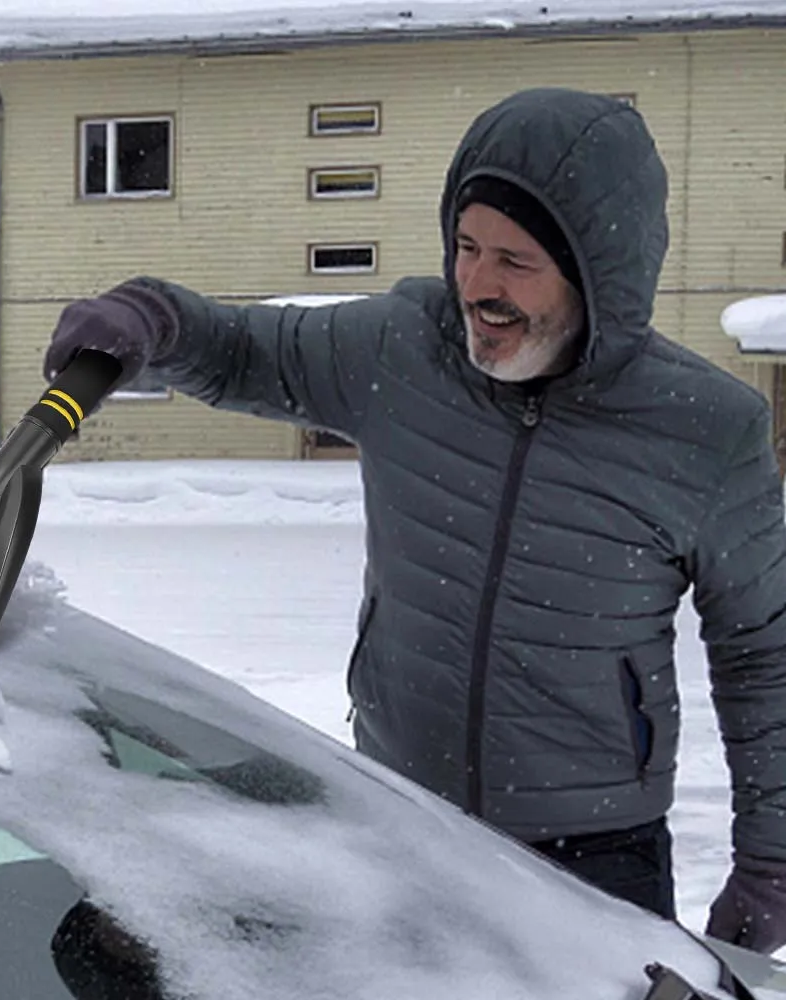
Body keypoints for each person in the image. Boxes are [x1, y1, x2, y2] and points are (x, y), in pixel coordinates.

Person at [42, 87, 786, 951]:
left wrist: (772, 859)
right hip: (399, 822)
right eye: (467, 246)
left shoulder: (704, 429)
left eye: (515, 260)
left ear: (597, 277)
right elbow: (245, 348)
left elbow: (762, 650)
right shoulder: (404, 349)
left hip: (592, 860)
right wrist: (147, 314)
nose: (477, 283)